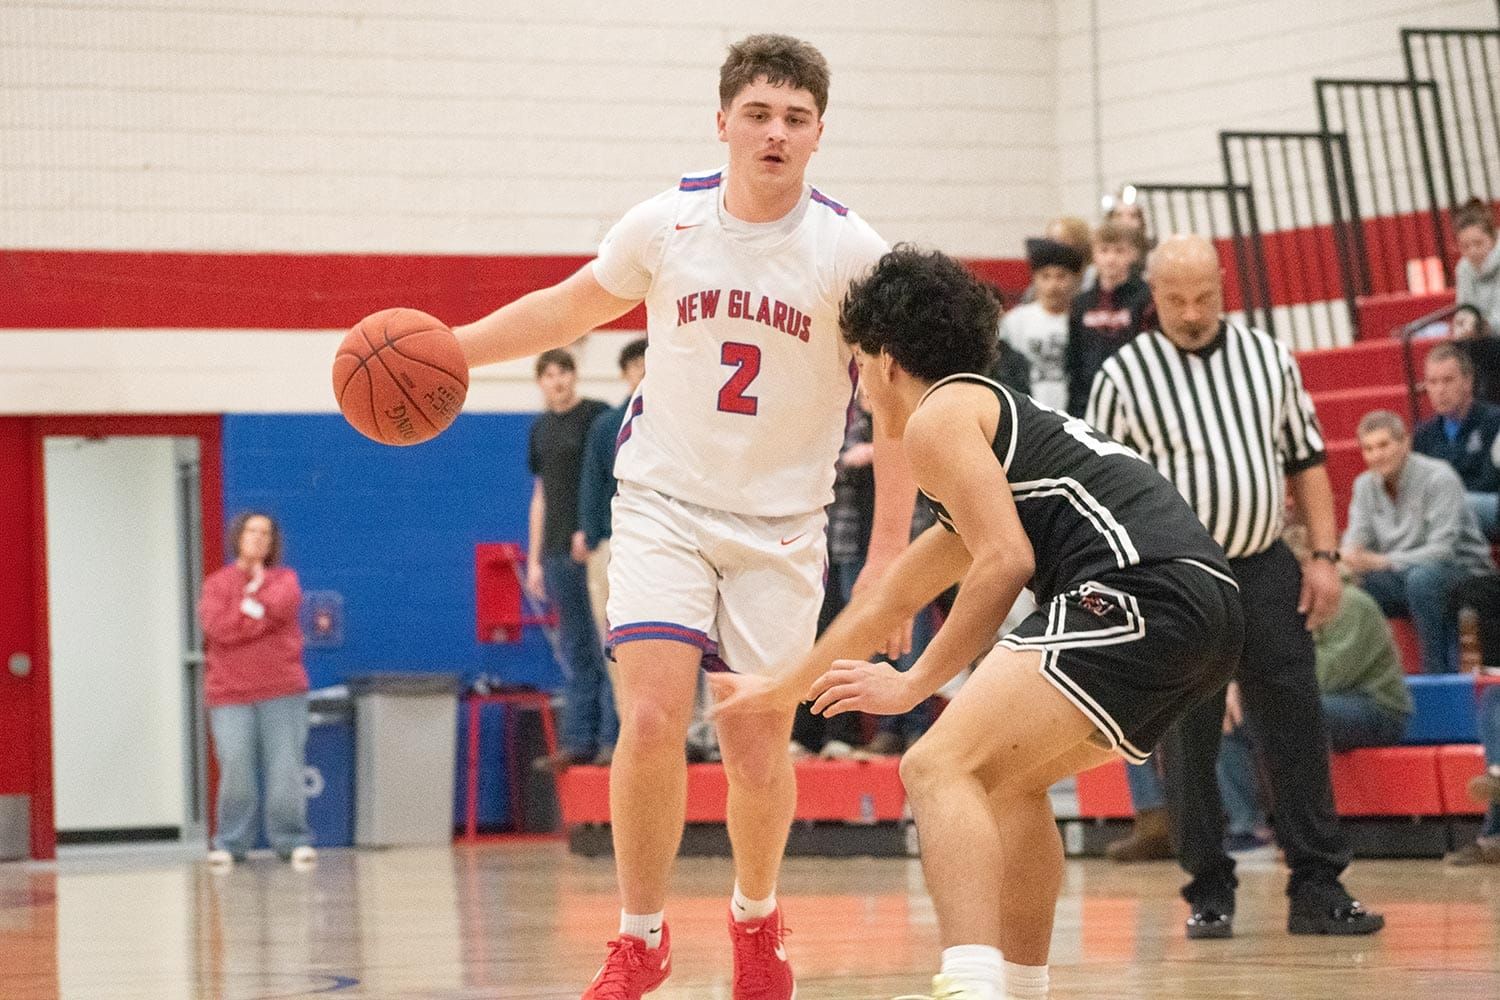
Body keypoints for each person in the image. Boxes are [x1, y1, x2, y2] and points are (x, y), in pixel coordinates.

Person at [449, 34, 914, 1000]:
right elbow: (565, 309)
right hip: (660, 503)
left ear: (820, 133)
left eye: (795, 118)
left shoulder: (851, 254)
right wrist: (457, 348)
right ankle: (640, 937)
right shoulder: (667, 225)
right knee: (652, 715)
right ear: (723, 124)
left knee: (752, 743)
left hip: (783, 528)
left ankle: (755, 917)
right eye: (759, 114)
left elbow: (900, 417)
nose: (775, 132)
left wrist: (883, 571)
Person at [711, 245, 1243, 1000]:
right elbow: (889, 601)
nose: (859, 384)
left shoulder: (941, 417)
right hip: (1204, 602)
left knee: (934, 765)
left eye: (859, 363)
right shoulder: (988, 427)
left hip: (1140, 590)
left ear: (888, 360)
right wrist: (783, 689)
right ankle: (1020, 987)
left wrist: (917, 682)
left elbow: (1004, 561)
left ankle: (968, 984)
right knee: (1004, 783)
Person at [1086, 234, 1383, 940]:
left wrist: (1323, 555)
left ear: (1224, 286)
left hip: (1263, 565)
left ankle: (1318, 886)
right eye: (1176, 300)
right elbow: (1101, 490)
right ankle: (1207, 889)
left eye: (1205, 297)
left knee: (1296, 724)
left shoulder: (1268, 358)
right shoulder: (1123, 375)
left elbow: (1306, 460)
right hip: (1178, 580)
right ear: (1152, 296)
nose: (1192, 313)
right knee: (1190, 738)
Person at [1218, 525, 1413, 850]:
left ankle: (1303, 830)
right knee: (1225, 717)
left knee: (1286, 710)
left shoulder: (1353, 603)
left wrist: (1255, 685)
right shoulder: (1288, 609)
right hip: (1324, 702)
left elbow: (1328, 673)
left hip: (1375, 707)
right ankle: (1247, 826)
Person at [199, 512, 316, 869]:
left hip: (283, 691)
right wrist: (255, 614)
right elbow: (217, 628)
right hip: (230, 695)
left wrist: (250, 609)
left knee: (286, 769)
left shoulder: (287, 580)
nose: (258, 538)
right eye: (252, 531)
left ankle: (291, 840)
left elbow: (279, 606)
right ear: (238, 536)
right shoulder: (217, 584)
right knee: (236, 768)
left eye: (265, 533)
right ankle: (230, 844)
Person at [1342, 410, 1495, 674]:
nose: (1376, 455)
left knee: (1422, 580)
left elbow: (1443, 550)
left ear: (1405, 443)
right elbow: (1356, 540)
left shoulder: (1439, 477)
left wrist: (1382, 561)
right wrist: (1348, 559)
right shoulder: (1364, 485)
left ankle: (1436, 674)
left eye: (1383, 445)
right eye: (1368, 449)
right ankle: (1370, 676)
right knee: (1353, 585)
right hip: (1404, 573)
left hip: (1462, 569)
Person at [527, 348, 618, 771]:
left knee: (610, 647)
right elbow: (541, 497)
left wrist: (590, 526)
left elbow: (606, 480)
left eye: (564, 372)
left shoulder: (597, 417)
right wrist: (535, 560)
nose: (558, 381)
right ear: (540, 382)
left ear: (575, 376)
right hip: (558, 551)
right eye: (549, 374)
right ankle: (579, 741)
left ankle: (613, 740)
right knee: (577, 646)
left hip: (596, 546)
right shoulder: (540, 429)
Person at [578, 337, 649, 642]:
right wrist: (590, 534)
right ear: (624, 373)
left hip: (669, 539)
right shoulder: (607, 424)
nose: (645, 372)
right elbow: (592, 480)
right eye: (636, 366)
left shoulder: (681, 420)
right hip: (613, 540)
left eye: (650, 364)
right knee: (615, 637)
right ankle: (622, 693)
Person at [1064, 220, 1153, 416]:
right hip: (1089, 398)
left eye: (1119, 251)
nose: (1111, 259)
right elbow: (1074, 359)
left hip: (1135, 397)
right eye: (1104, 250)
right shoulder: (1081, 303)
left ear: (1133, 254)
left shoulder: (1145, 298)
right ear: (1094, 255)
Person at [1412, 343, 1500, 540]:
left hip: (1487, 507)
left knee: (1456, 505)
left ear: (1467, 382)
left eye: (1448, 380)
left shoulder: (1494, 422)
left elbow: (1490, 482)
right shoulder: (1423, 435)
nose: (1439, 390)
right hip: (1443, 515)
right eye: (1432, 382)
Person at [1000, 238, 1084, 412]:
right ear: (1035, 279)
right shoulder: (1015, 321)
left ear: (1074, 280)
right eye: (1045, 277)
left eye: (1061, 276)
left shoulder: (1081, 321)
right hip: (1026, 410)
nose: (1053, 285)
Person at [1455, 197, 1500, 334]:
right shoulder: (1463, 268)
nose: (1472, 251)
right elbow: (1463, 308)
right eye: (1465, 246)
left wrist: (1480, 326)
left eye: (1478, 243)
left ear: (1492, 240)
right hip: (1479, 338)